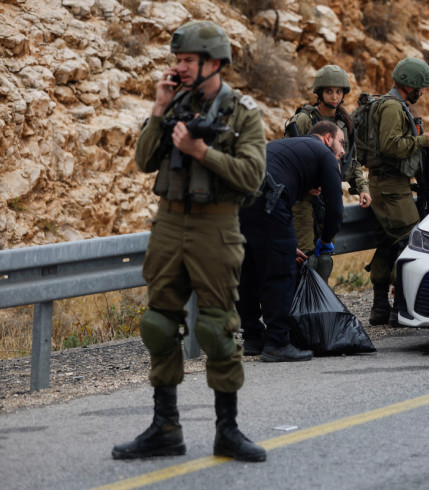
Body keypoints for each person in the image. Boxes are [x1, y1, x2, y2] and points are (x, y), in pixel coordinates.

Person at [112, 21, 267, 462]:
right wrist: (159, 109)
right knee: (159, 324)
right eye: (177, 60)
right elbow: (144, 161)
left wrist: (203, 153)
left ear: (213, 64)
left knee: (217, 328)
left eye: (186, 60)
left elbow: (253, 177)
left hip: (216, 226)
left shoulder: (242, 112)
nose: (178, 67)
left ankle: (228, 431)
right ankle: (165, 428)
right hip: (168, 223)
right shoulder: (173, 102)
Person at [237, 121, 345, 362]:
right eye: (341, 142)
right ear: (327, 138)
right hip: (267, 194)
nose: (343, 151)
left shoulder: (289, 147)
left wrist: (284, 245)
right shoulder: (324, 154)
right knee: (281, 271)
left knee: (249, 265)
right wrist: (325, 241)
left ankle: (253, 338)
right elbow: (336, 211)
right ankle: (277, 342)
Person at [366, 57, 429, 327]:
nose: (423, 92)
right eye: (422, 87)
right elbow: (390, 145)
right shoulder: (392, 107)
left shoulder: (391, 104)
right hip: (391, 188)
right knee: (410, 242)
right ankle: (401, 307)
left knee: (388, 244)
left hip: (388, 186)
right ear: (412, 85)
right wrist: (423, 140)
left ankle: (380, 308)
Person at [284, 65, 371, 283]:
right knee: (305, 255)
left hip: (329, 196)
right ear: (320, 92)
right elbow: (288, 160)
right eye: (329, 91)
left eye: (339, 91)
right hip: (303, 198)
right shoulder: (303, 121)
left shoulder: (345, 124)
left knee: (324, 257)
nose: (334, 96)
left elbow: (351, 161)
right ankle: (299, 305)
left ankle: (318, 300)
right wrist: (305, 185)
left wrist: (363, 188)